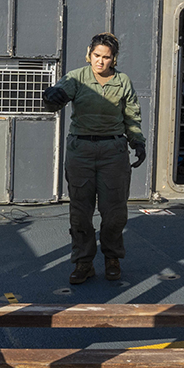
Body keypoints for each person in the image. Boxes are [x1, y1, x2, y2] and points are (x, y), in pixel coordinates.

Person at [42, 32, 146, 284]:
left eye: (106, 57)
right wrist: (50, 98)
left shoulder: (123, 82)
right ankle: (83, 262)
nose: (100, 61)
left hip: (113, 151)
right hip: (82, 151)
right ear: (89, 54)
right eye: (96, 55)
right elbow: (56, 100)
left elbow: (131, 115)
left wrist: (138, 141)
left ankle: (112, 258)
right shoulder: (76, 78)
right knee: (80, 211)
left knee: (114, 212)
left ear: (114, 59)